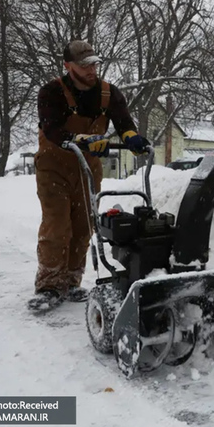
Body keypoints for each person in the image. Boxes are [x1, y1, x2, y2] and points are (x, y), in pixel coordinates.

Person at [28, 40, 149, 312]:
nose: (91, 70)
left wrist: (132, 137)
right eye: (84, 65)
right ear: (68, 66)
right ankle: (48, 284)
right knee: (57, 224)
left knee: (84, 225)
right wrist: (82, 138)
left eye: (94, 63)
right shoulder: (51, 92)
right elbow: (52, 129)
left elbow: (123, 122)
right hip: (53, 166)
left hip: (87, 167)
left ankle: (71, 282)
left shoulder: (109, 93)